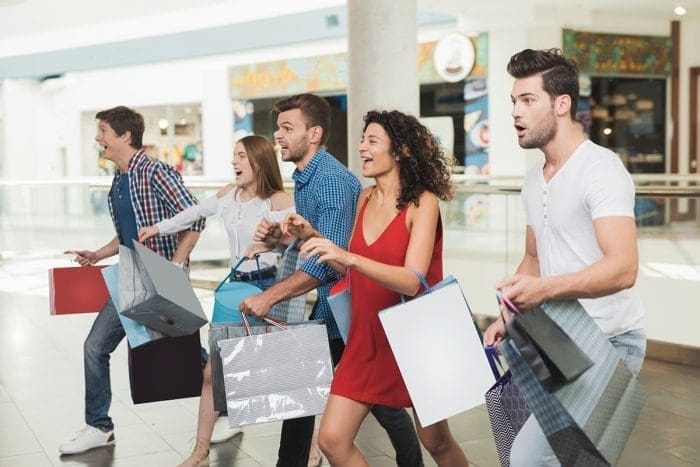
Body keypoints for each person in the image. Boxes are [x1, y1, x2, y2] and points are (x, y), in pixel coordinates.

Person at [240, 94, 425, 467]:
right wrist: (289, 237)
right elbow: (328, 244)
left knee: (346, 395)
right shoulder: (309, 179)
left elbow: (332, 261)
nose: (279, 135)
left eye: (288, 128)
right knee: (361, 397)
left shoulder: (332, 183)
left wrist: (270, 297)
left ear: (314, 133)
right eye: (279, 128)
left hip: (346, 309)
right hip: (338, 306)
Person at [483, 48, 646, 466]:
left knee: (528, 458)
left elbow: (623, 267)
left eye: (528, 100)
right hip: (559, 342)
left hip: (610, 343)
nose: (516, 112)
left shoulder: (600, 169)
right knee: (573, 460)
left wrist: (543, 291)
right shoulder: (532, 181)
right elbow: (533, 258)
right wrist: (508, 314)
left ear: (561, 104)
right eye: (513, 101)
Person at [284, 110, 470, 467]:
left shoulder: (423, 202)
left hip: (417, 339)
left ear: (399, 150)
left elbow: (413, 280)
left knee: (437, 441)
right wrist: (314, 238)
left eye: (372, 141)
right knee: (333, 440)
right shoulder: (365, 198)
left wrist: (348, 258)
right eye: (362, 140)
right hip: (367, 336)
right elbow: (353, 270)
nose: (362, 148)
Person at [138, 135, 294, 467]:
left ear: (259, 160)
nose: (234, 162)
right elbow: (191, 214)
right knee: (212, 374)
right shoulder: (228, 197)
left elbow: (294, 240)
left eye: (241, 156)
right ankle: (199, 452)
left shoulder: (278, 201)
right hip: (233, 292)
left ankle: (306, 445)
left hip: (268, 291)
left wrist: (269, 245)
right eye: (233, 155)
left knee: (281, 372)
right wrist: (157, 228)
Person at [59, 106, 204, 455]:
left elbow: (196, 218)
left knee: (185, 351)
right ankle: (99, 426)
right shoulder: (120, 178)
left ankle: (225, 410)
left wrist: (174, 265)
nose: (98, 138)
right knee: (95, 347)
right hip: (130, 277)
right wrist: (98, 254)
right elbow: (126, 234)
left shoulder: (156, 172)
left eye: (104, 131)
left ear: (125, 136)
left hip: (159, 279)